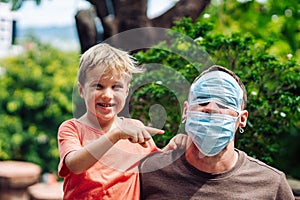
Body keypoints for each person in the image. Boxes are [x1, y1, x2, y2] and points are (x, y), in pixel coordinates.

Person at [139, 65, 294, 200]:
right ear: (186, 111)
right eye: (202, 101)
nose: (211, 108)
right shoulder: (148, 172)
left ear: (242, 119)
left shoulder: (271, 185)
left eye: (223, 103)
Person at [57, 43, 186, 199]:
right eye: (98, 86)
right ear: (81, 90)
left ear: (126, 91)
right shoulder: (72, 128)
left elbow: (154, 164)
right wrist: (115, 135)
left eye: (116, 86)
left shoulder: (134, 128)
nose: (107, 95)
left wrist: (172, 147)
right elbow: (74, 165)